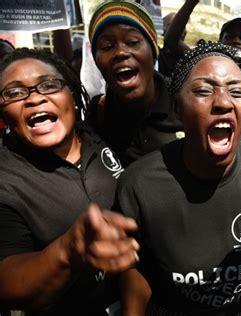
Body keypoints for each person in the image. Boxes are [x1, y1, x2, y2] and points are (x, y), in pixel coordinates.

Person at [117, 40, 241, 315]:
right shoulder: (138, 185)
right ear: (178, 109)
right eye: (203, 90)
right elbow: (134, 278)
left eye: (236, 91)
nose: (223, 102)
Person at [0, 48, 139, 315]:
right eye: (15, 93)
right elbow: (7, 282)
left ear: (73, 95)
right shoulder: (6, 178)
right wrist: (69, 249)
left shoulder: (102, 132)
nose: (35, 98)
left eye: (49, 85)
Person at [86, 0, 183, 167]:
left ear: (153, 52)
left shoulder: (185, 101)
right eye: (107, 46)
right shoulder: (98, 114)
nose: (121, 52)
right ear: (96, 62)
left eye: (132, 42)